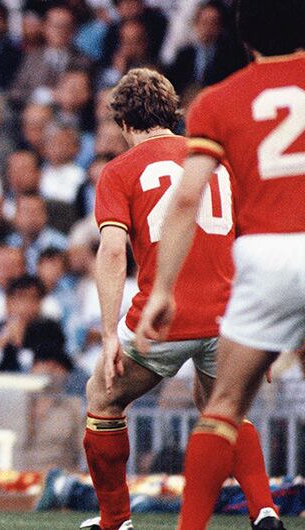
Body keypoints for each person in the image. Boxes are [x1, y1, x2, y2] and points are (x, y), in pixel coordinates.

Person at [133, 1, 305, 528]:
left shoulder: (217, 101)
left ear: (245, 41)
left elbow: (187, 199)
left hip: (267, 255)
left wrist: (163, 288)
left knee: (225, 404)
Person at [92, 68, 281, 530]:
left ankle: (115, 521)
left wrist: (106, 334)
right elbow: (253, 235)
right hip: (227, 316)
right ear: (172, 112)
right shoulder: (216, 161)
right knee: (222, 406)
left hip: (164, 317)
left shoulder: (118, 171)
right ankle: (265, 511)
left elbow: (114, 251)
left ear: (123, 122)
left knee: (103, 397)